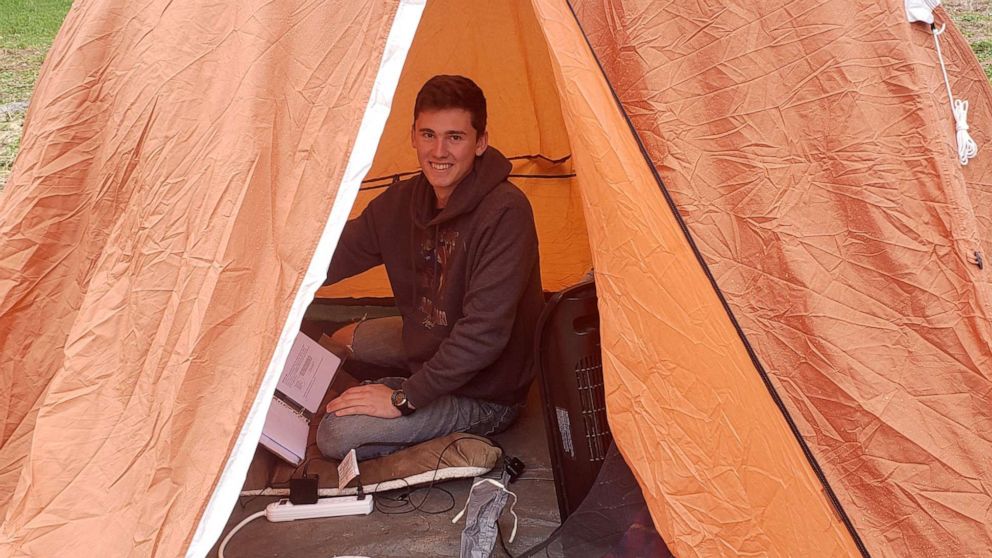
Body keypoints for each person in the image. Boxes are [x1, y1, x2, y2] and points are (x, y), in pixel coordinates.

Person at [316, 75, 544, 461]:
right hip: (433, 338)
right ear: (413, 136)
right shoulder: (404, 201)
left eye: (455, 137)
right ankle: (396, 390)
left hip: (486, 388)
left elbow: (482, 335)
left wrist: (404, 398)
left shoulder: (506, 212)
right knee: (342, 339)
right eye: (428, 135)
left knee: (336, 434)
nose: (439, 151)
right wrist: (274, 278)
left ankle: (413, 406)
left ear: (480, 142)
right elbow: (334, 255)